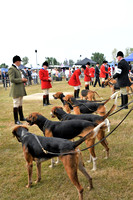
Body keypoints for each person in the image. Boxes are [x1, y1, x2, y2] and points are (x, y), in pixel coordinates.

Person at [8, 55, 27, 124]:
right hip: (15, 90)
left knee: (20, 104)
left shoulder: (17, 68)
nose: (20, 63)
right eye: (19, 61)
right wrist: (21, 80)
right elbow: (12, 79)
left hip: (20, 89)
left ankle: (21, 117)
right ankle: (16, 120)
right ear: (17, 62)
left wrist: (23, 80)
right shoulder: (11, 69)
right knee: (16, 104)